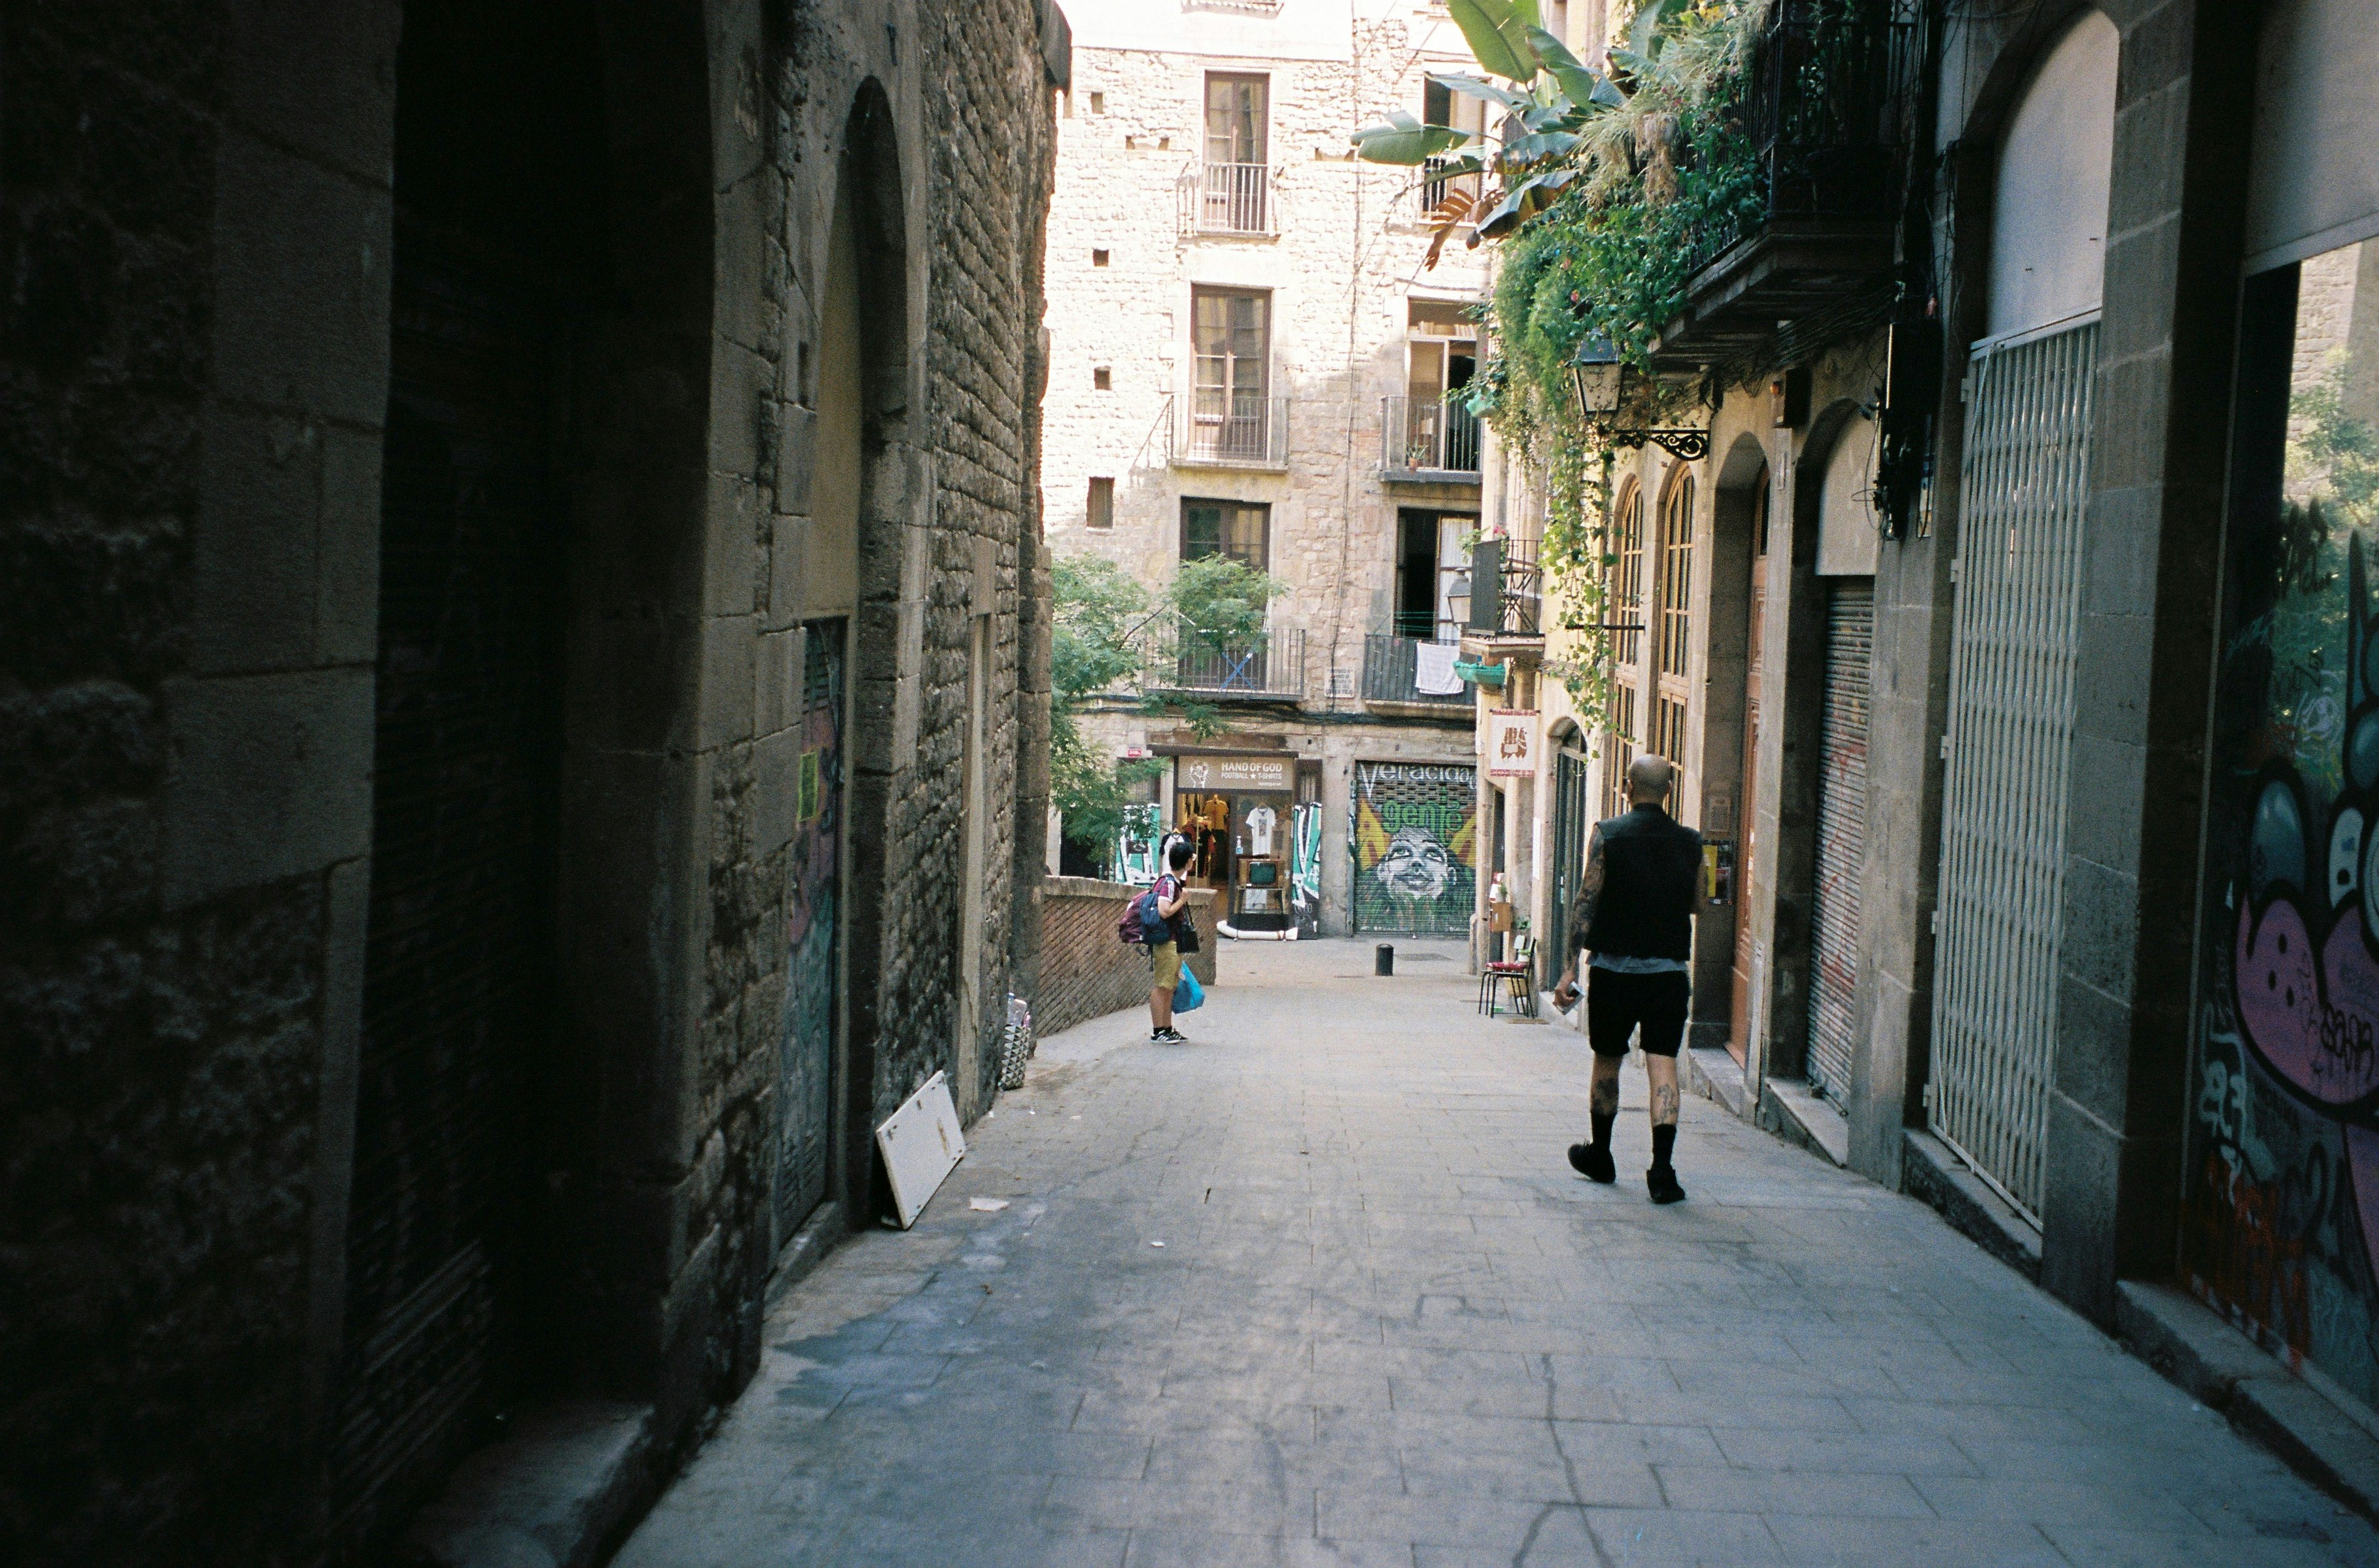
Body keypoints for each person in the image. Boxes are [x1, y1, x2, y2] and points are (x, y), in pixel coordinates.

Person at [1552, 754, 1701, 1204]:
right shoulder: (1690, 842)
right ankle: (1662, 1170)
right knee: (1663, 1064)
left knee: (1607, 1060)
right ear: (1668, 793)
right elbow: (1697, 902)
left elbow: (1586, 901)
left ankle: (1600, 1153)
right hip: (1667, 974)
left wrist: (1569, 965)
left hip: (1614, 972)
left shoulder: (1608, 835)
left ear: (1626, 785)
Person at [1147, 836, 1194, 1043]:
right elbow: (1164, 911)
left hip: (1172, 941)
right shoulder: (1168, 884)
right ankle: (1159, 1031)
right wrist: (1182, 901)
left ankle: (1167, 1028)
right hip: (1166, 942)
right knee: (1162, 987)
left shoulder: (1173, 882)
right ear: (1186, 863)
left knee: (1170, 986)